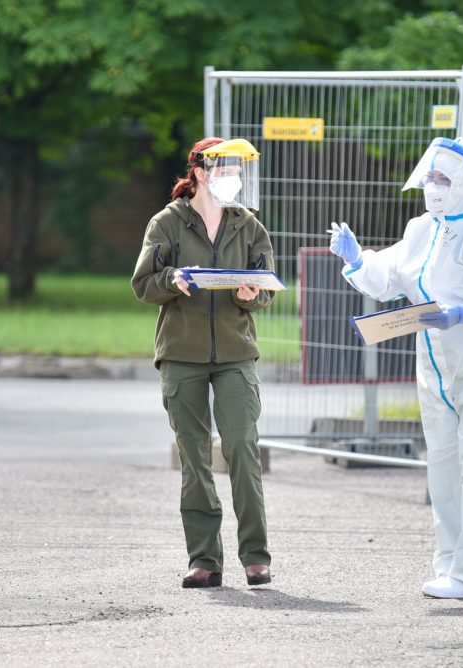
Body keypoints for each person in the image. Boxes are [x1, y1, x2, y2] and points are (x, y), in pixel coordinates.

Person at [329, 137, 463, 599]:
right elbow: (396, 274)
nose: (433, 186)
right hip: (437, 362)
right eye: (429, 178)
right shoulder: (423, 229)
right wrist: (359, 259)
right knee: (443, 466)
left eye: (442, 178)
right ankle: (450, 565)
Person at [132, 137, 274, 589]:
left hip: (235, 355)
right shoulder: (166, 224)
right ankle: (204, 560)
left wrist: (253, 295)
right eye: (223, 168)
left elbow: (266, 286)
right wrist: (172, 278)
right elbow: (143, 284)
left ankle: (255, 556)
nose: (231, 177)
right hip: (182, 354)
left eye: (236, 170)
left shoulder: (248, 225)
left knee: (240, 450)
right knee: (194, 457)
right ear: (197, 172)